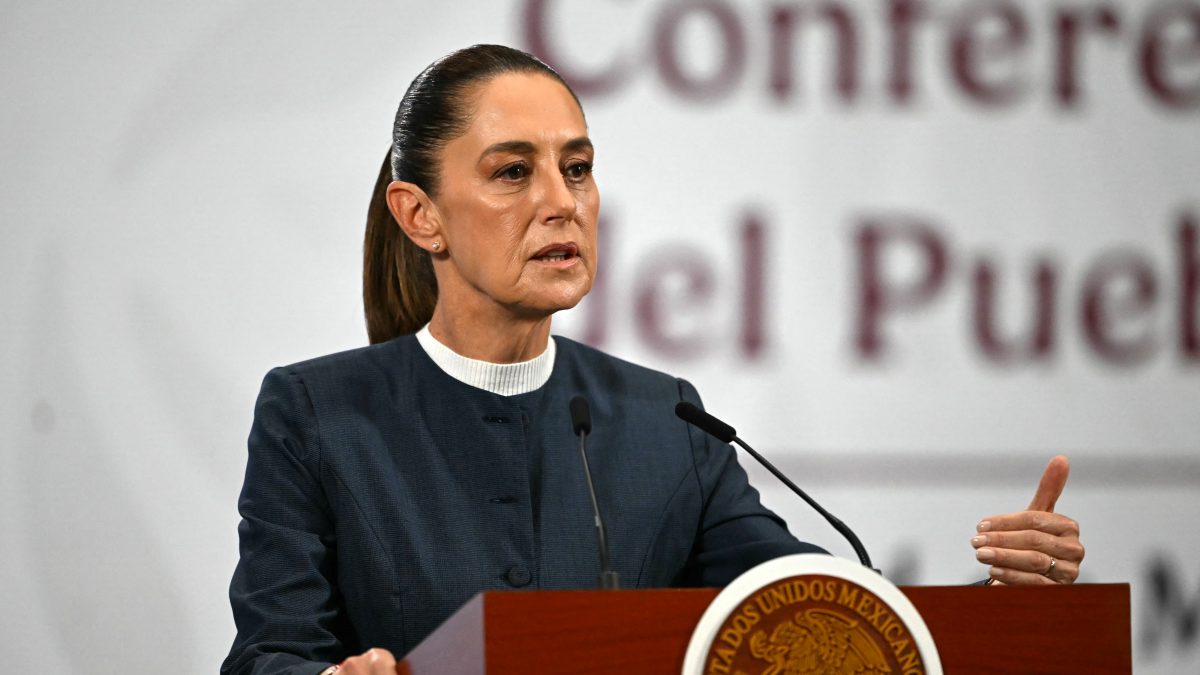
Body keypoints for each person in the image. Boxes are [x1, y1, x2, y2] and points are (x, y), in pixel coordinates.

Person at [221, 45, 1085, 675]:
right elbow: (269, 650)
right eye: (513, 172)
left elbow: (814, 622)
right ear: (421, 216)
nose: (562, 203)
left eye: (579, 167)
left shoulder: (663, 420)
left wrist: (999, 603)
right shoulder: (319, 413)